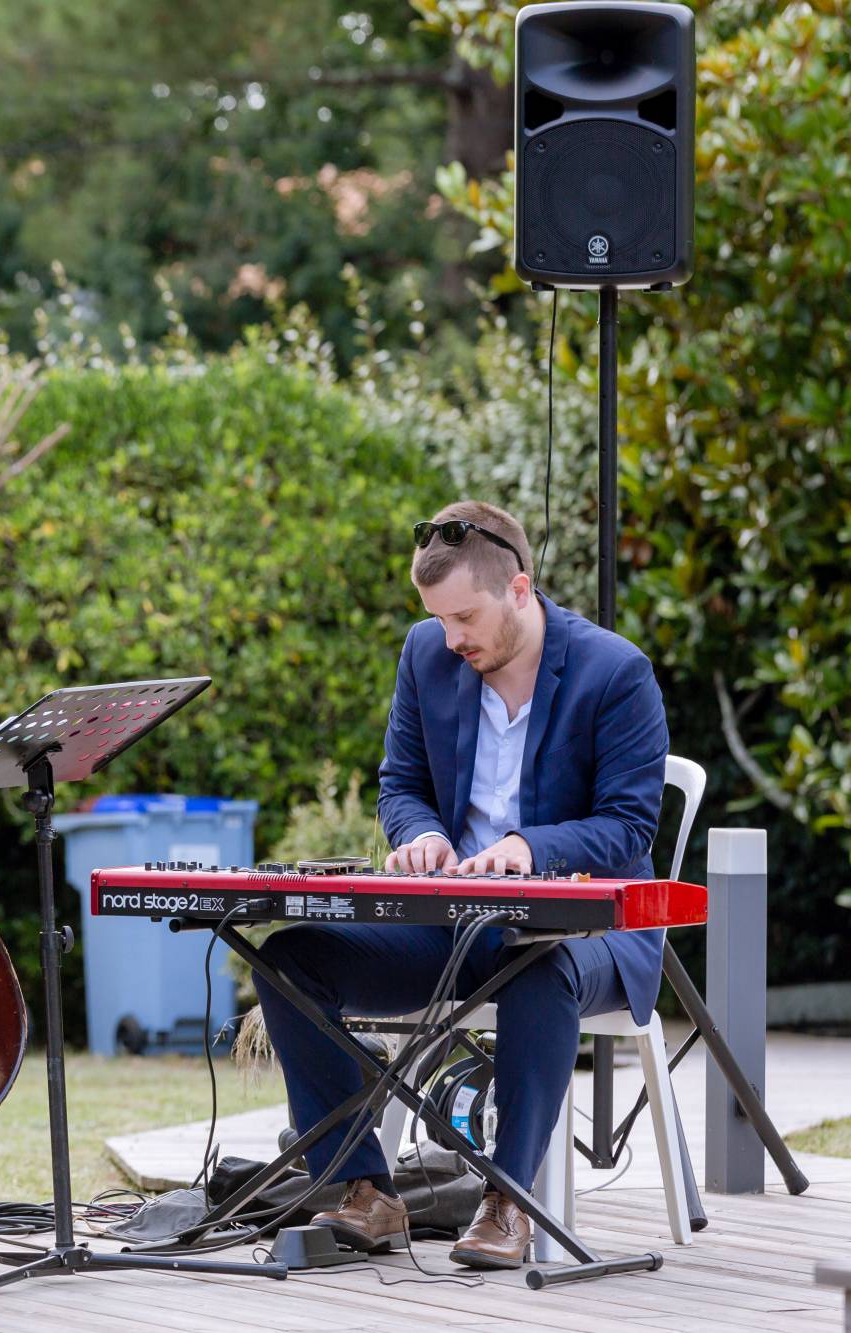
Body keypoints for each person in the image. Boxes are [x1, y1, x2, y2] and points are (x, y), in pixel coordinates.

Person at [254, 499, 668, 1269]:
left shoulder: (616, 672)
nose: (451, 638)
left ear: (520, 589)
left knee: (539, 967)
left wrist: (525, 846)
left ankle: (509, 1200)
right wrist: (422, 835)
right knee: (287, 959)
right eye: (439, 619)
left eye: (465, 617)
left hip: (590, 933)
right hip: (454, 923)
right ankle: (362, 1189)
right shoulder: (427, 654)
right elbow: (401, 786)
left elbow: (628, 826)